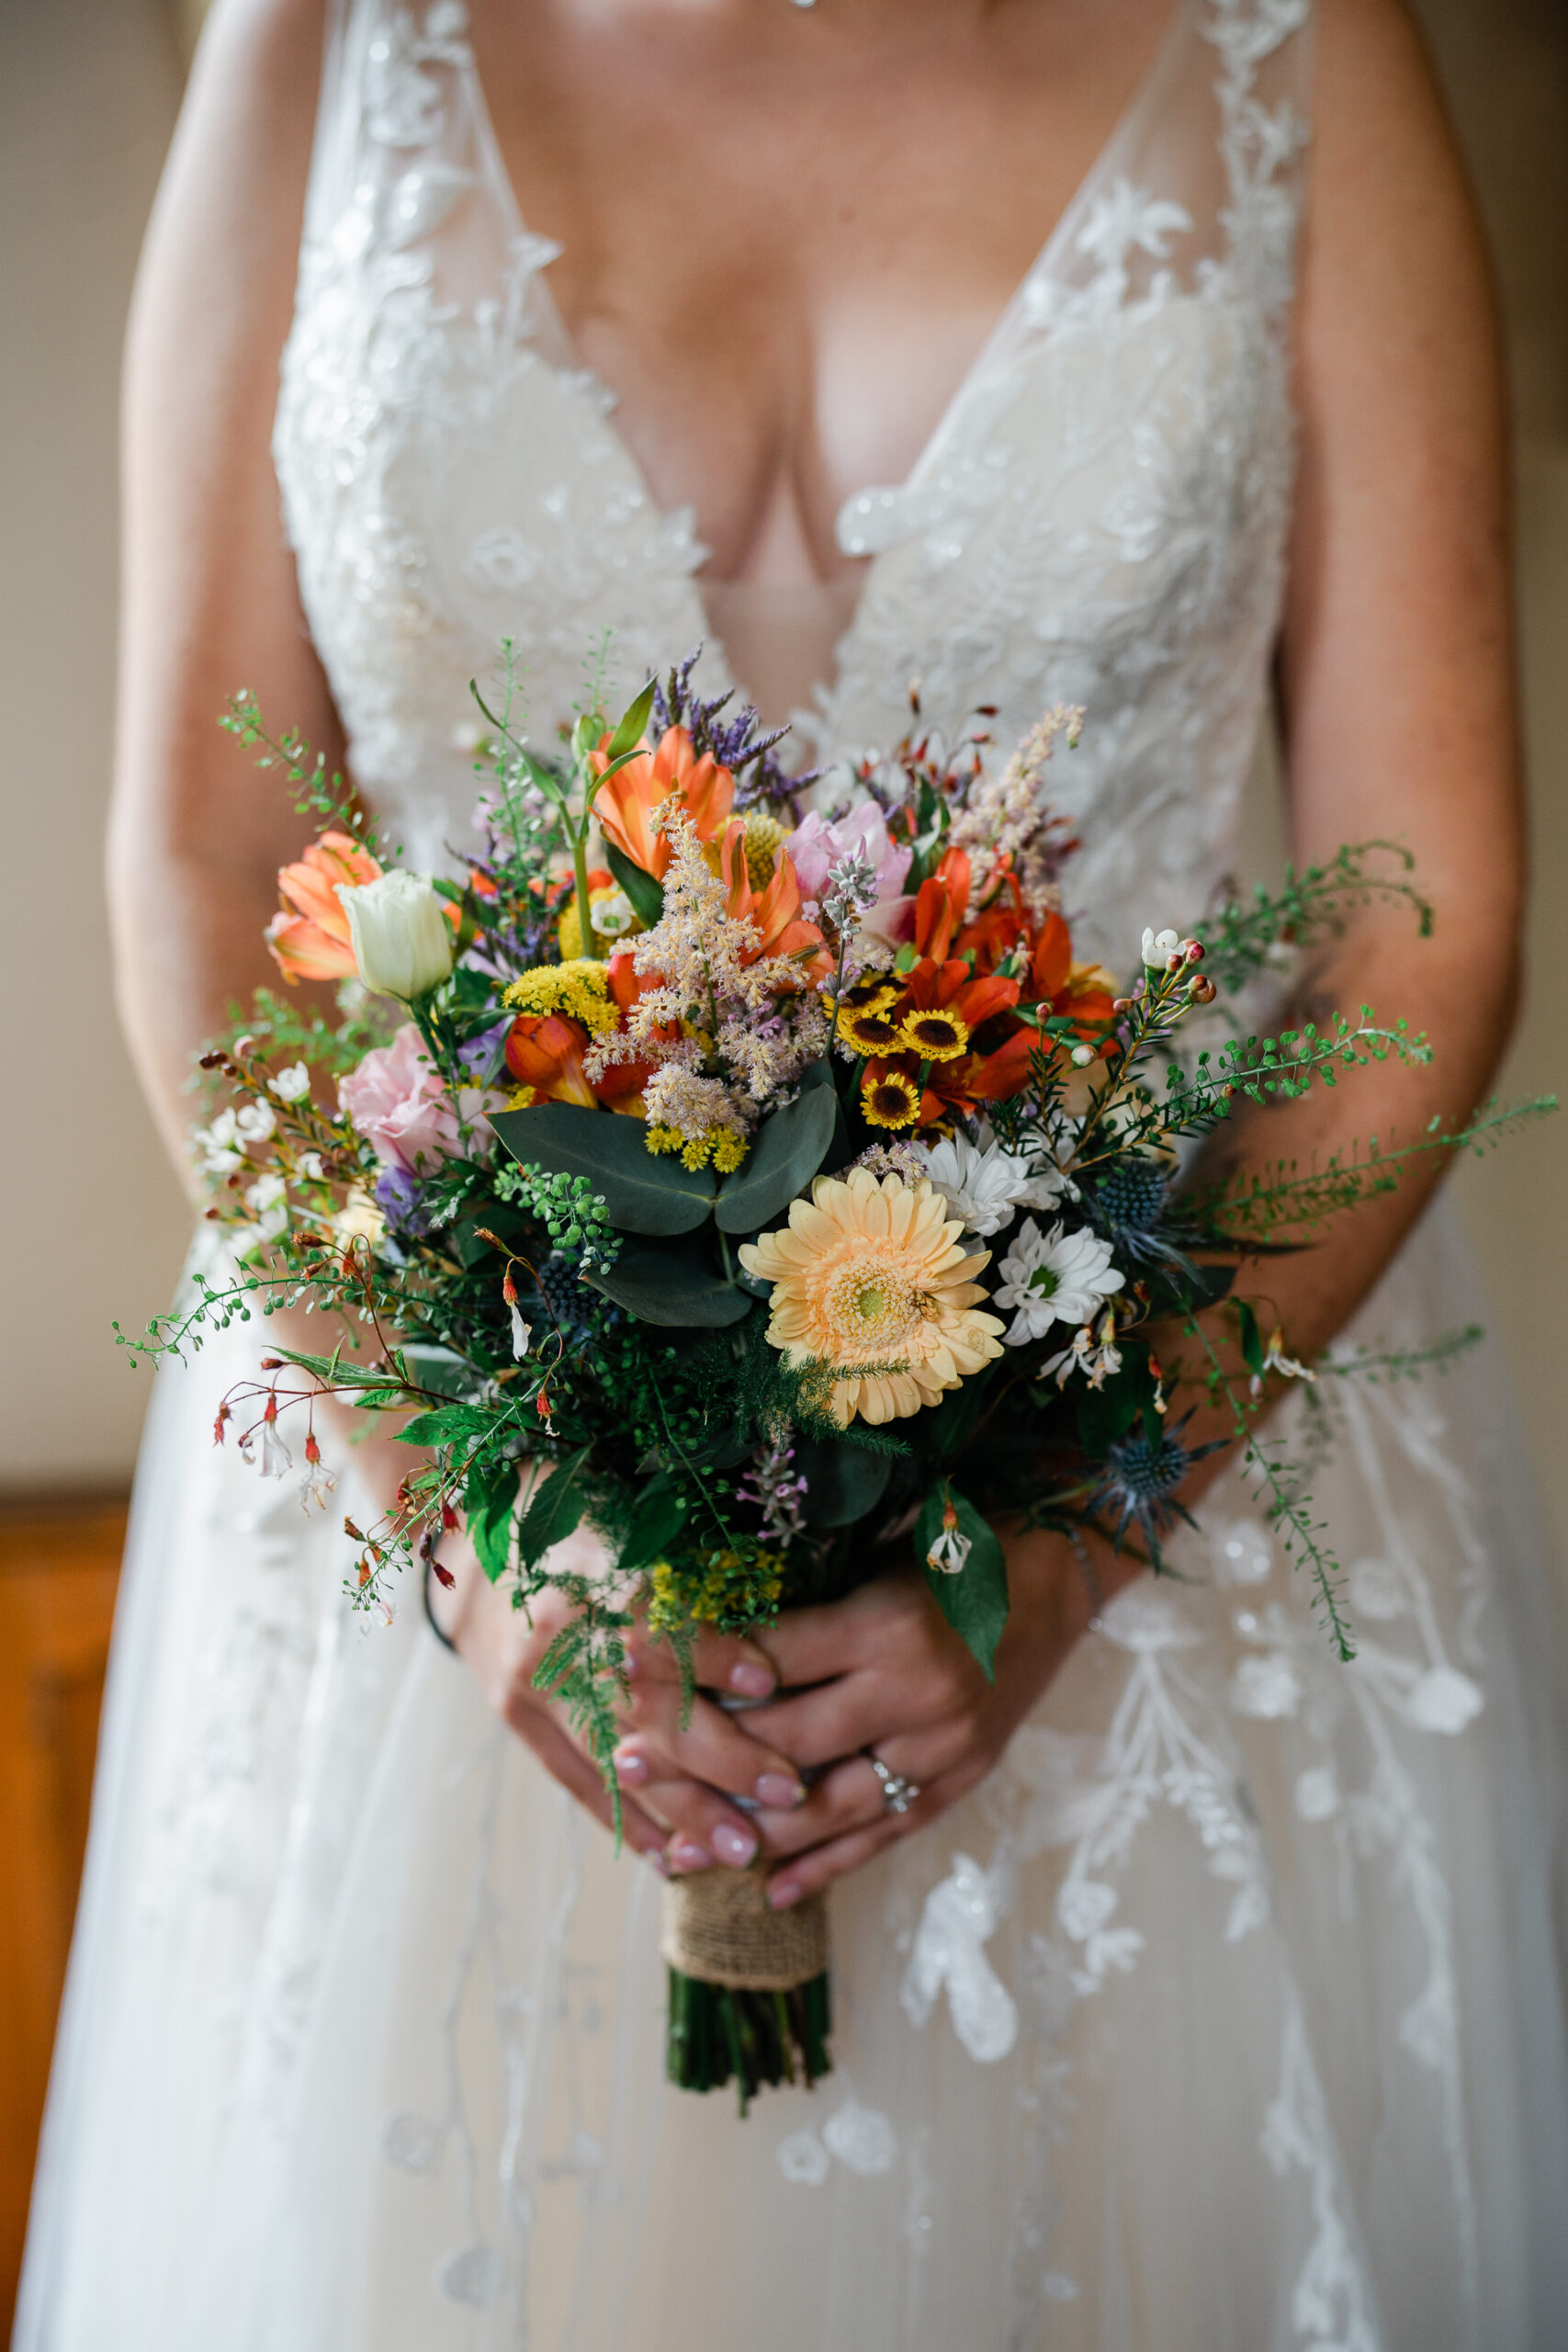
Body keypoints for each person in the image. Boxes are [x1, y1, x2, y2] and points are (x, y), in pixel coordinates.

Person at [17, 0, 1568, 2343]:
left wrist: (1057, 1546)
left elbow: (1411, 896)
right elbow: (210, 847)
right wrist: (463, 1521)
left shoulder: (1296, 44)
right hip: (455, 1516)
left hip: (1167, 1501)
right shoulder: (319, 37)